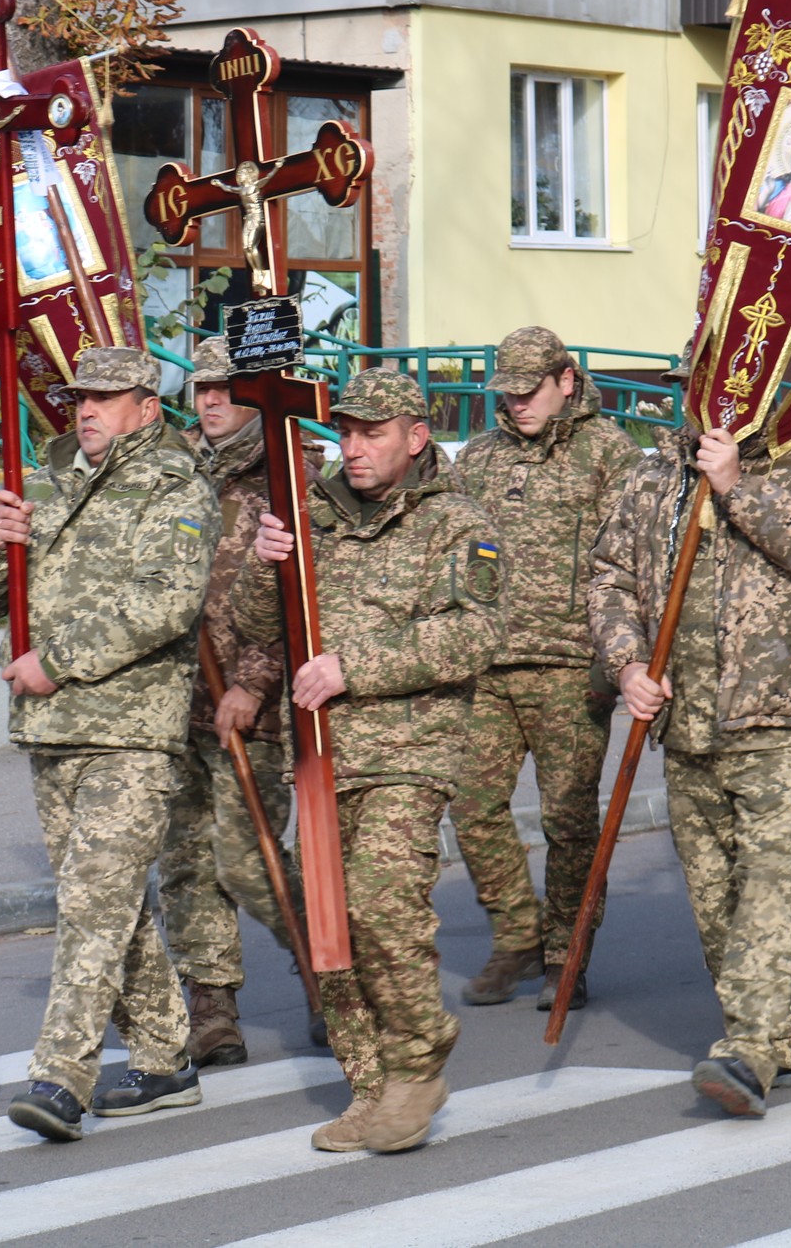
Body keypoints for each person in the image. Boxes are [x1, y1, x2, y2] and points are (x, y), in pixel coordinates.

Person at [0, 344, 221, 1141]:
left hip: (130, 730)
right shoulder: (55, 479)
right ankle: (166, 1055)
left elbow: (166, 603)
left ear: (148, 403)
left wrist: (55, 661)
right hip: (53, 729)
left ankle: (61, 1074)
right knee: (107, 902)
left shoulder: (175, 486)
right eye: (80, 397)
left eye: (106, 397)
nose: (87, 410)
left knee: (89, 904)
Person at [242, 368, 503, 1155]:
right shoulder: (308, 511)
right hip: (322, 753)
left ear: (415, 438)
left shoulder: (457, 523)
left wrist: (356, 664)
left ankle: (420, 1059)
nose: (352, 449)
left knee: (383, 901)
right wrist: (266, 562)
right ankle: (370, 1082)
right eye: (345, 433)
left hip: (408, 749)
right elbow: (264, 626)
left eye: (372, 433)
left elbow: (476, 633)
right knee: (328, 920)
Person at [588, 390, 791, 1117]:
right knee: (719, 901)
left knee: (773, 882)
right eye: (696, 384)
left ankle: (747, 1046)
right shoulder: (654, 476)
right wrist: (628, 664)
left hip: (783, 717)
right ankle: (775, 1033)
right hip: (688, 725)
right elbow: (610, 577)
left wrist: (740, 486)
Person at [448, 326, 640, 1012]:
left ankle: (567, 953)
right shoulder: (479, 456)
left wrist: (615, 659)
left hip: (570, 668)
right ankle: (518, 929)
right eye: (507, 392)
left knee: (569, 822)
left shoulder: (610, 454)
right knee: (471, 805)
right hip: (490, 665)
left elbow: (634, 561)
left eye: (529, 391)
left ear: (566, 380)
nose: (517, 404)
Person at [158, 338, 319, 1066]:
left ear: (256, 394)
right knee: (186, 862)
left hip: (251, 705)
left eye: (226, 388)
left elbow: (301, 599)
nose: (212, 401)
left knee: (246, 856)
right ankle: (212, 1005)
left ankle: (327, 968)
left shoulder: (289, 473)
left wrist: (253, 683)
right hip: (172, 699)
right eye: (201, 390)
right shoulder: (168, 470)